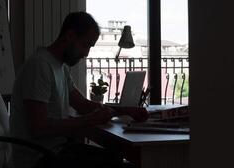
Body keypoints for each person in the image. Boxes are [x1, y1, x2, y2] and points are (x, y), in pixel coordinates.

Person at [10, 11, 149, 168]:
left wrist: (125, 111)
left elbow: (82, 105)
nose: (86, 53)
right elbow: (38, 128)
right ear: (70, 36)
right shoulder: (39, 66)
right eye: (85, 45)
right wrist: (90, 120)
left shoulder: (60, 67)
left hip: (57, 151)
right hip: (38, 159)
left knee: (115, 157)